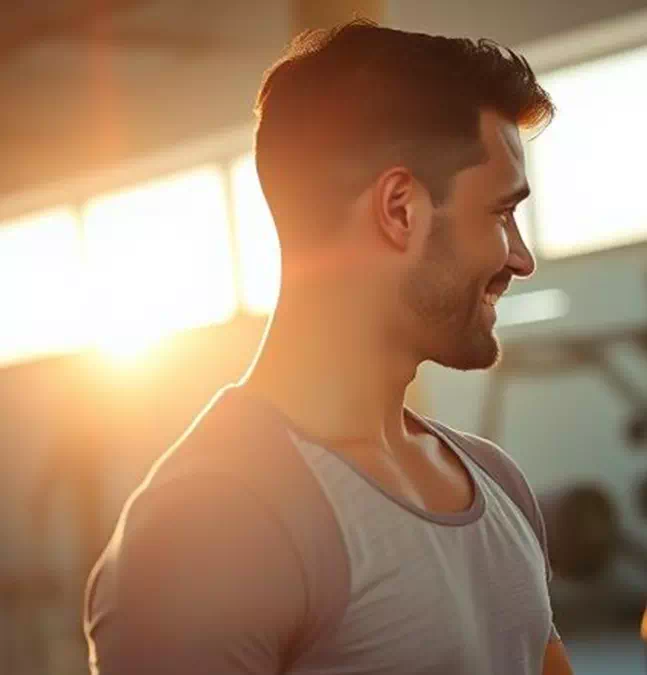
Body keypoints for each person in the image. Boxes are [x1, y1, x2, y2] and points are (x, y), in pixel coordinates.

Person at [84, 20, 573, 675]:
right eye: (501, 213)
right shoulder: (207, 524)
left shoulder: (498, 484)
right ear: (400, 209)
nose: (521, 256)